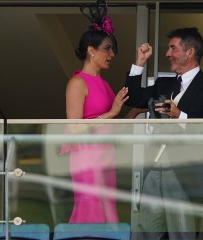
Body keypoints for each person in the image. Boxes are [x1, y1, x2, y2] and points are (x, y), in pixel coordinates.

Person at [125, 27, 203, 239]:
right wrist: (139, 63)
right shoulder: (164, 83)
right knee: (144, 233)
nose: (167, 54)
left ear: (190, 52)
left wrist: (180, 116)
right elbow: (133, 99)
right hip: (153, 168)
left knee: (183, 233)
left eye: (173, 48)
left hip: (184, 171)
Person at [60, 0, 129, 223]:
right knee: (91, 209)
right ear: (91, 51)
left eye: (112, 49)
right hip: (86, 156)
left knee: (107, 210)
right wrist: (111, 113)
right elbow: (76, 126)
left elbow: (113, 123)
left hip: (106, 156)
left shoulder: (105, 85)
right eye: (107, 48)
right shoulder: (77, 83)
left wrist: (134, 111)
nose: (112, 54)